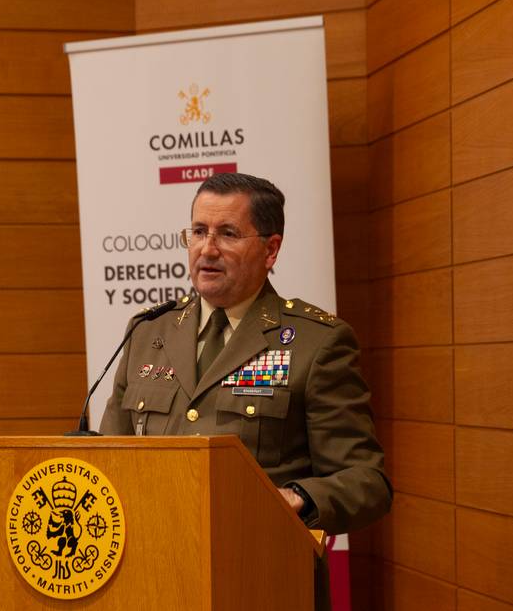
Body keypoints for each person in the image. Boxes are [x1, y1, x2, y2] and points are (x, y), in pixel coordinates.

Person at [99, 172, 392, 609]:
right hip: (153, 576)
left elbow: (368, 483)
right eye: (198, 232)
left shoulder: (317, 343)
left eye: (228, 234)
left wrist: (297, 497)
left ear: (271, 249)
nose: (207, 249)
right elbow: (108, 457)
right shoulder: (147, 331)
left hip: (263, 579)